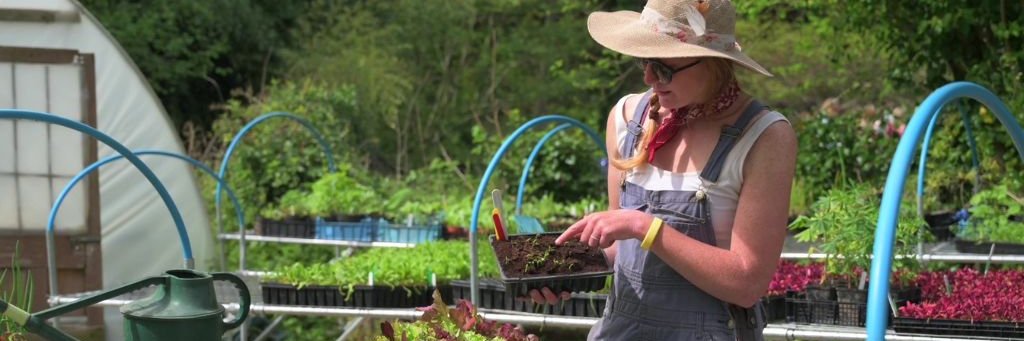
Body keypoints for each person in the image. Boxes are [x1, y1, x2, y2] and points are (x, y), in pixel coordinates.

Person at [533, 0, 798, 339]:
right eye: (644, 61)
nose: (648, 78)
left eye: (663, 67)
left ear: (712, 61)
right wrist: (561, 272)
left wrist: (645, 227)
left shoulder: (764, 137)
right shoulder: (627, 119)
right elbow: (619, 248)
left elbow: (747, 283)